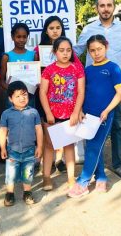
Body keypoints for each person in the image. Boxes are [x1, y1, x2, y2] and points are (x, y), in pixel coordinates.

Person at [74, 0, 121, 180]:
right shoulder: (89, 29)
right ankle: (95, 166)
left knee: (116, 127)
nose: (105, 8)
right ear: (96, 8)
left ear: (114, 7)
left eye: (109, 5)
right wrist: (53, 50)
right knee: (89, 128)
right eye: (102, 5)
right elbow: (76, 51)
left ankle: (118, 164)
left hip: (115, 88)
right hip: (93, 87)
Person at [68, 35, 121, 198]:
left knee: (94, 146)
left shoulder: (113, 68)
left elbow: (120, 92)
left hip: (103, 116)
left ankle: (83, 182)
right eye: (92, 50)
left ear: (106, 47)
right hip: (87, 116)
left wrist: (107, 111)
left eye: (99, 49)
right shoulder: (87, 70)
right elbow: (82, 92)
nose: (96, 53)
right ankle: (101, 177)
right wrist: (79, 111)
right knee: (92, 146)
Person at [39, 37, 85, 191]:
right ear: (55, 52)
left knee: (69, 146)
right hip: (52, 115)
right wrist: (48, 112)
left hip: (70, 115)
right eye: (61, 50)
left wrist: (76, 112)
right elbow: (43, 92)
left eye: (68, 50)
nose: (65, 53)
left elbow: (80, 92)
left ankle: (71, 178)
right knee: (49, 146)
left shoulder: (77, 69)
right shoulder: (49, 70)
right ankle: (46, 177)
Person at [0, 81, 43, 206]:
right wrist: (2, 147)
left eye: (24, 95)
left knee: (27, 172)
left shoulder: (33, 112)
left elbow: (39, 130)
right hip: (12, 150)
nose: (22, 98)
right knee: (11, 173)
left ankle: (27, 192)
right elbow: (3, 131)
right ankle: (9, 193)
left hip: (29, 149)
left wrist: (39, 146)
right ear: (10, 99)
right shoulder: (6, 114)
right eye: (17, 96)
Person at [0, 23, 38, 107]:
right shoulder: (6, 57)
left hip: (29, 97)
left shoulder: (33, 55)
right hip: (13, 99)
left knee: (30, 118)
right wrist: (13, 90)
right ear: (12, 37)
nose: (21, 40)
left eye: (24, 37)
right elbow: (2, 81)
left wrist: (36, 85)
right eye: (18, 37)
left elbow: (37, 79)